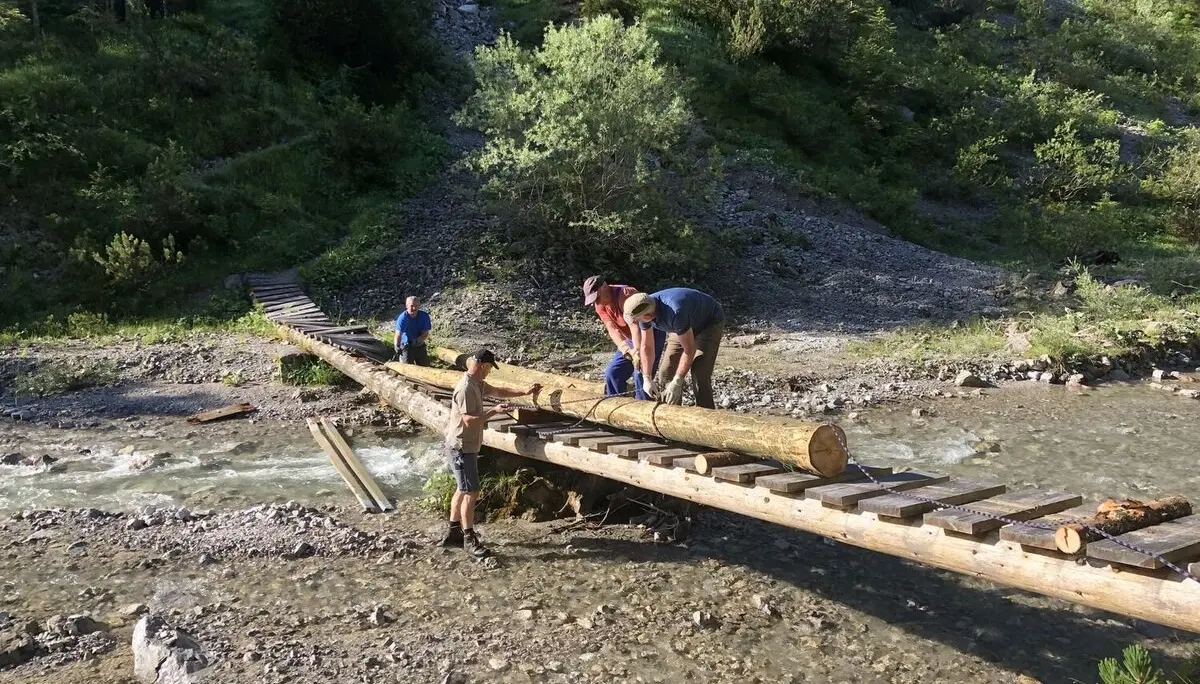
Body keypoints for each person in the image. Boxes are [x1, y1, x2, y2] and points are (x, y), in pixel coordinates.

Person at [442, 349, 540, 558]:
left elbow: (498, 391)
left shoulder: (478, 384)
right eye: (488, 368)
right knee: (471, 491)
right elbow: (469, 420)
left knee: (463, 488)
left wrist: (524, 392)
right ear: (482, 366)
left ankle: (453, 532)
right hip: (461, 447)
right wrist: (494, 412)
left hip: (463, 445)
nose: (489, 373)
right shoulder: (466, 388)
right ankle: (469, 537)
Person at [623, 288, 725, 409]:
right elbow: (647, 346)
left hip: (709, 323)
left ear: (648, 316)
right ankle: (670, 413)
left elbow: (689, 349)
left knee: (699, 372)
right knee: (666, 371)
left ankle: (706, 415)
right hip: (682, 326)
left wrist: (678, 380)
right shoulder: (642, 307)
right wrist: (647, 377)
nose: (636, 323)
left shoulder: (675, 311)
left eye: (637, 320)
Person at [582, 275, 665, 400]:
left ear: (604, 286)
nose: (597, 302)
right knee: (613, 373)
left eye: (597, 297)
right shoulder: (599, 304)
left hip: (649, 332)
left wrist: (637, 352)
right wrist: (625, 349)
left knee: (641, 374)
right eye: (594, 300)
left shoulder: (625, 294)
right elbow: (612, 328)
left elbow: (635, 325)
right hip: (630, 338)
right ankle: (616, 407)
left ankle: (643, 410)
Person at [394, 296, 432, 366]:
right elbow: (398, 334)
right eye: (411, 306)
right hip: (406, 346)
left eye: (416, 306)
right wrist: (397, 345)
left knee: (425, 367)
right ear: (407, 306)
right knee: (407, 368)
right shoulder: (403, 318)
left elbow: (425, 333)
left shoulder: (424, 316)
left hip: (419, 344)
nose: (414, 308)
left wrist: (418, 340)